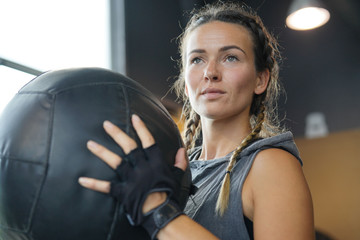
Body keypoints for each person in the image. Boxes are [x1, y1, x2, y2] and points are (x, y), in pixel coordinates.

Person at [78, 2, 315, 239]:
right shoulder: (180, 168)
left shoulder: (270, 164)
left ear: (260, 80)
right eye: (197, 59)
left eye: (230, 58)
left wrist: (157, 210)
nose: (210, 72)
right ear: (185, 80)